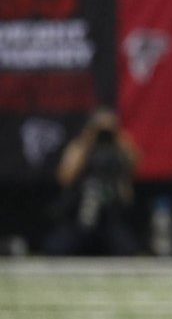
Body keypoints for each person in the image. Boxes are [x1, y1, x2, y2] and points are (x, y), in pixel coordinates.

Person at [44, 108, 140, 256]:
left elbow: (135, 165)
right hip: (79, 215)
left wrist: (117, 136)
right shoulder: (81, 147)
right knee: (56, 249)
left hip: (110, 218)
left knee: (127, 250)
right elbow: (65, 177)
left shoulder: (118, 149)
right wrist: (88, 140)